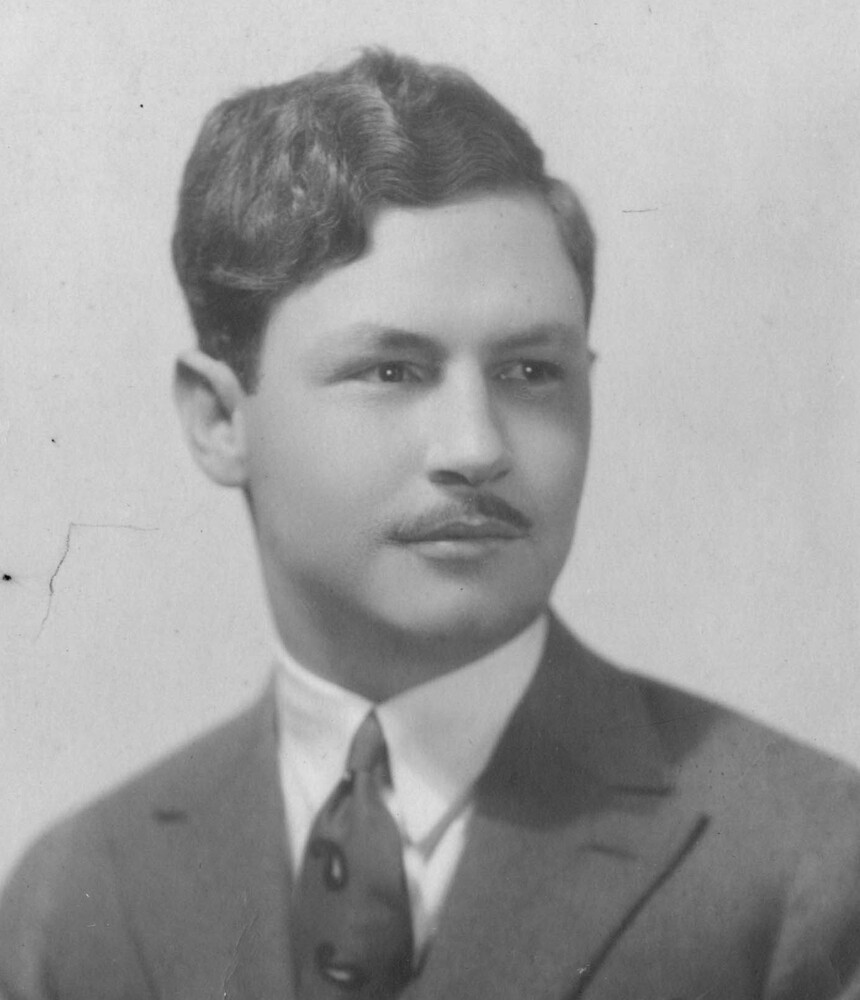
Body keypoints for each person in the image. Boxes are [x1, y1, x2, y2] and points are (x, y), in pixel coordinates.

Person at [1, 47, 859, 1000]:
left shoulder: (808, 862)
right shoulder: (80, 894)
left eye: (531, 371)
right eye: (392, 371)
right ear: (218, 421)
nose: (476, 445)